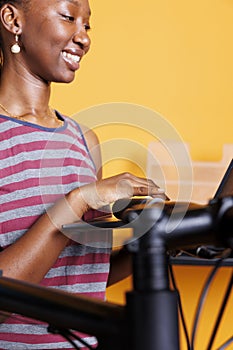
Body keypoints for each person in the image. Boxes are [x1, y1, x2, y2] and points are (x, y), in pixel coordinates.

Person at [0, 0, 163, 348]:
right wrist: (79, 200)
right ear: (13, 20)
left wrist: (155, 243)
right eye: (68, 17)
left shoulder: (84, 140)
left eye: (87, 25)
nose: (84, 38)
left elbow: (82, 277)